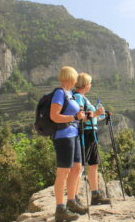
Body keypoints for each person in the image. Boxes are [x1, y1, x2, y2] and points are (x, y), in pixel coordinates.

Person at [50, 66, 87, 222]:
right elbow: (54, 116)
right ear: (71, 78)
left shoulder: (70, 94)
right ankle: (60, 209)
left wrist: (81, 116)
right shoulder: (59, 93)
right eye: (75, 79)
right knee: (63, 172)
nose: (76, 82)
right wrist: (73, 118)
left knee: (77, 167)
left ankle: (71, 201)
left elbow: (73, 115)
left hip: (74, 134)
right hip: (64, 136)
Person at [73, 72, 111, 205]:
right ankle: (74, 197)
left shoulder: (84, 98)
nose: (91, 85)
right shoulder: (77, 97)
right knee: (80, 166)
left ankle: (95, 195)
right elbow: (79, 117)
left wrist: (101, 115)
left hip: (91, 133)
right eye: (89, 82)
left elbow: (91, 117)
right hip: (84, 134)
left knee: (94, 164)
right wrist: (95, 113)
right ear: (85, 84)